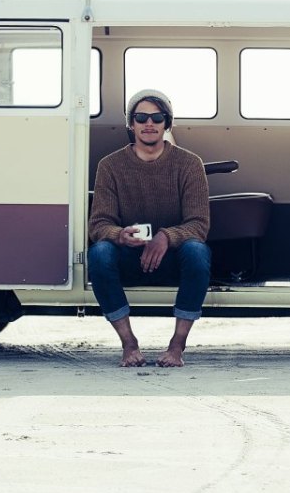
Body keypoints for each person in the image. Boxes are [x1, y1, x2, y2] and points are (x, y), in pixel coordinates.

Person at [87, 89, 211, 367]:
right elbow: (98, 224)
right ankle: (129, 344)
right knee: (99, 252)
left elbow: (199, 224)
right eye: (141, 117)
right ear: (131, 123)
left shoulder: (190, 164)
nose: (149, 123)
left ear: (168, 123)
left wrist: (166, 236)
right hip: (129, 256)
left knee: (197, 251)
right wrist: (119, 235)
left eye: (157, 117)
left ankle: (177, 346)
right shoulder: (110, 166)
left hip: (173, 259)